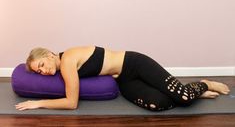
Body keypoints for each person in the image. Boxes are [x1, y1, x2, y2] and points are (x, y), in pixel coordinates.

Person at [15, 46, 230, 111]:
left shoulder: (68, 60)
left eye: (41, 65)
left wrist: (39, 103)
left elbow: (72, 103)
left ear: (50, 55)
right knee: (159, 104)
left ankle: (204, 84)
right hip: (123, 80)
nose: (42, 71)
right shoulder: (62, 67)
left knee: (183, 97)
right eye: (38, 71)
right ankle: (194, 93)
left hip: (135, 64)